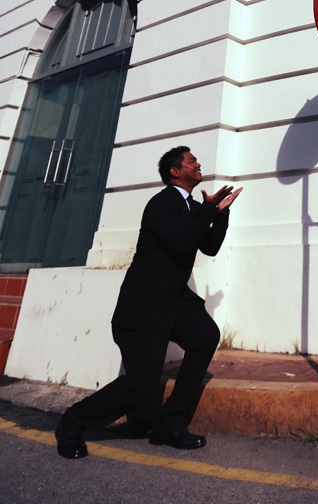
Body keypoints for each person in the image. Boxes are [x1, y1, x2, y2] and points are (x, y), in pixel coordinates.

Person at [55, 145, 242, 458]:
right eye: (191, 160)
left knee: (205, 336)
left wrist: (219, 214)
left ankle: (170, 424)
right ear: (174, 171)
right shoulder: (162, 204)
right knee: (141, 386)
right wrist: (208, 210)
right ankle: (72, 422)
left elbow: (207, 247)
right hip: (143, 306)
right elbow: (182, 241)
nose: (198, 163)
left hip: (172, 300)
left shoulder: (192, 207)